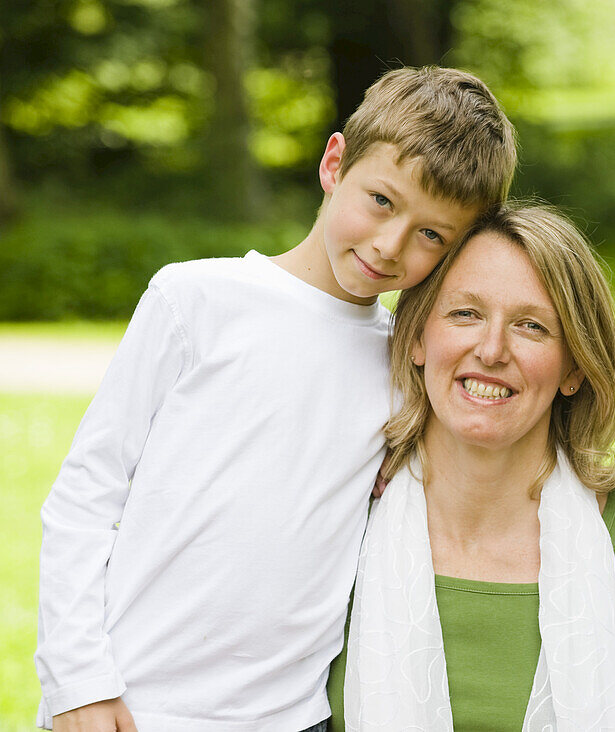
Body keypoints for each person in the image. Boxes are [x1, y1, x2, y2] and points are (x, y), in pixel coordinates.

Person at [35, 66, 517, 731]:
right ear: (334, 163)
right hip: (132, 704)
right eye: (381, 201)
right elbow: (84, 498)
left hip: (289, 716)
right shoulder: (195, 301)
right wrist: (78, 680)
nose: (390, 244)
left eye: (432, 234)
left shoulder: (409, 364)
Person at [342, 204, 615, 731]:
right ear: (417, 337)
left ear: (575, 366)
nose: (491, 350)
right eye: (465, 314)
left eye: (531, 326)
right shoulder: (340, 526)